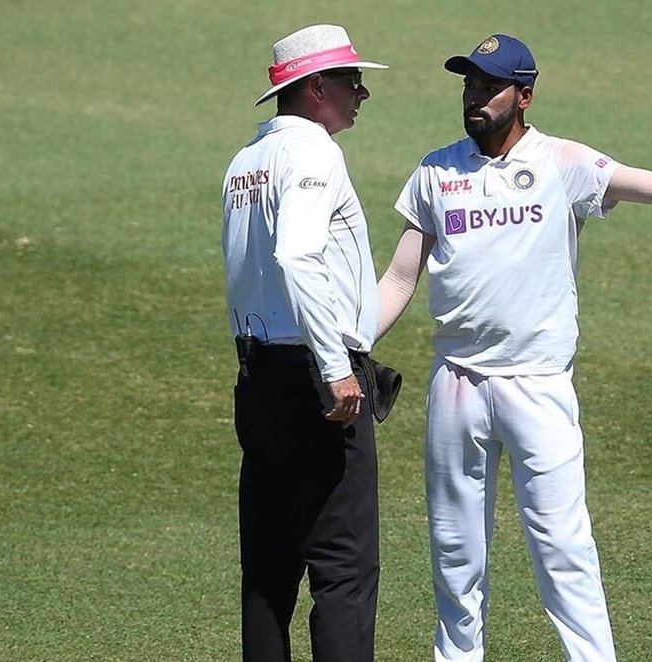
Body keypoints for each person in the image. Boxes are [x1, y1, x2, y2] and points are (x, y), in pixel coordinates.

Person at [376, 33, 652, 661]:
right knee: (454, 550)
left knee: (563, 549)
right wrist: (345, 347)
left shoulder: (564, 163)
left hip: (537, 385)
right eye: (468, 83)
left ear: (523, 95)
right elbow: (398, 278)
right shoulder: (436, 170)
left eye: (488, 86)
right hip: (455, 383)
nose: (474, 96)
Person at [221, 24, 388, 662]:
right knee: (343, 571)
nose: (362, 93)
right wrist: (336, 367)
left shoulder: (245, 161)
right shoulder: (315, 153)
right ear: (316, 88)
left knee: (267, 570)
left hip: (257, 380)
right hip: (314, 382)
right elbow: (297, 256)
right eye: (351, 81)